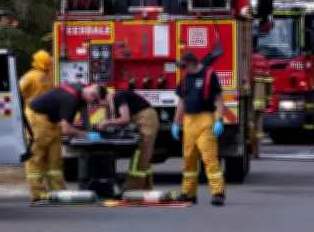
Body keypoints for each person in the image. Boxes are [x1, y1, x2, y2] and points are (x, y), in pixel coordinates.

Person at [25, 83, 108, 201]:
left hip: (52, 120)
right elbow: (66, 129)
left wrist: (88, 131)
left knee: (54, 159)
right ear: (92, 95)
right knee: (36, 157)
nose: (92, 105)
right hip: (37, 118)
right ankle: (37, 193)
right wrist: (85, 135)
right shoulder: (70, 99)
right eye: (94, 102)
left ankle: (58, 191)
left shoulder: (82, 90)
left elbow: (84, 116)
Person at [171, 52, 226, 206]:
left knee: (209, 158)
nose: (182, 69)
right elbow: (181, 101)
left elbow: (219, 99)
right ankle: (188, 193)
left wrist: (219, 120)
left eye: (183, 66)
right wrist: (176, 123)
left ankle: (218, 192)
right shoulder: (184, 78)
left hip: (206, 119)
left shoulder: (209, 75)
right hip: (189, 120)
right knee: (189, 158)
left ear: (191, 64)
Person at [94, 89, 159, 190]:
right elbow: (113, 116)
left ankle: (132, 190)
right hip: (141, 119)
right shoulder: (114, 99)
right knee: (143, 157)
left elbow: (125, 119)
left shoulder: (119, 96)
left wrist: (106, 123)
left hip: (147, 120)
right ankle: (146, 189)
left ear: (105, 97)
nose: (100, 106)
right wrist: (105, 121)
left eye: (99, 103)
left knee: (141, 155)